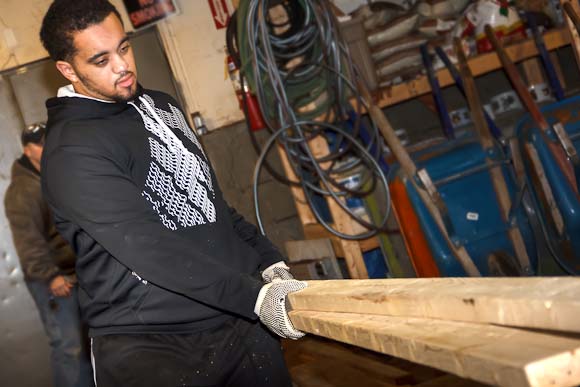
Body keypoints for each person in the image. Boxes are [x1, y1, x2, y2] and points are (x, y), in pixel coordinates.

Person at [39, 1, 307, 386]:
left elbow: (213, 205)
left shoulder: (162, 105)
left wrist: (266, 260)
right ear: (68, 69)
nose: (122, 66)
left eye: (124, 48)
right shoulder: (72, 151)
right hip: (154, 346)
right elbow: (150, 249)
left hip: (234, 319)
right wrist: (254, 297)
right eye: (101, 60)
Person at [4, 122, 94, 387]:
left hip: (72, 276)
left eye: (48, 141)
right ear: (26, 150)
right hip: (54, 282)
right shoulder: (24, 190)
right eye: (39, 144)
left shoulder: (50, 177)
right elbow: (28, 241)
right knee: (70, 349)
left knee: (86, 347)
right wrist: (51, 276)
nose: (46, 147)